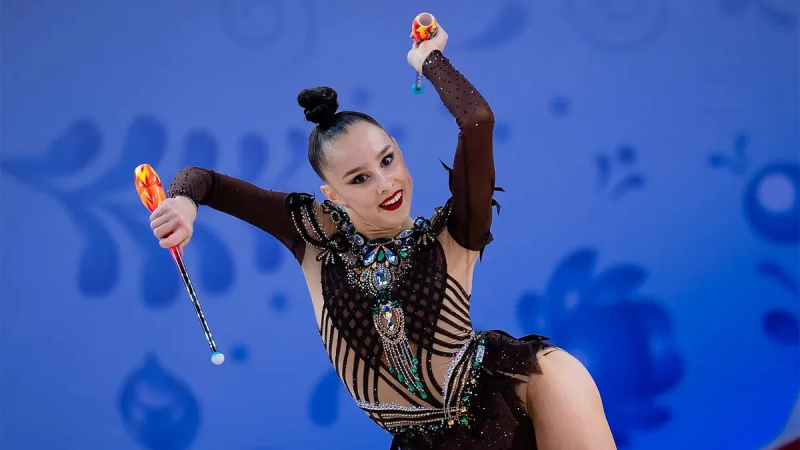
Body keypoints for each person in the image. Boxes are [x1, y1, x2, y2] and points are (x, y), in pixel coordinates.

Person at [149, 21, 616, 450]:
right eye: (360, 178)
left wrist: (429, 59)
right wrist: (183, 204)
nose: (386, 184)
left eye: (388, 160)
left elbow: (477, 121)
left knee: (556, 378)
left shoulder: (456, 232)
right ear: (332, 195)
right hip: (420, 443)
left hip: (515, 397)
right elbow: (204, 180)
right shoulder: (313, 237)